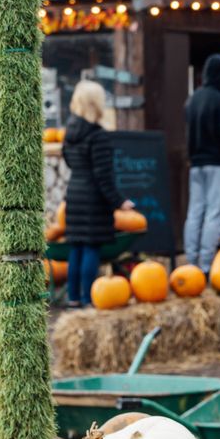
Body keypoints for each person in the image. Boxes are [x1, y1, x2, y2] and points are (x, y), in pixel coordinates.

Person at [62, 80, 133, 307]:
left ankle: (73, 297)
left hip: (74, 193)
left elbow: (68, 161)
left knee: (77, 247)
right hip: (92, 198)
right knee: (91, 246)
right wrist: (120, 201)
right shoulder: (98, 135)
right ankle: (88, 298)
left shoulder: (69, 132)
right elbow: (104, 176)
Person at [183, 54, 220, 273]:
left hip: (196, 164)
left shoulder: (191, 100)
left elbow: (188, 137)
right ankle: (205, 266)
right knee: (214, 213)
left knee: (194, 213)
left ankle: (190, 262)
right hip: (218, 164)